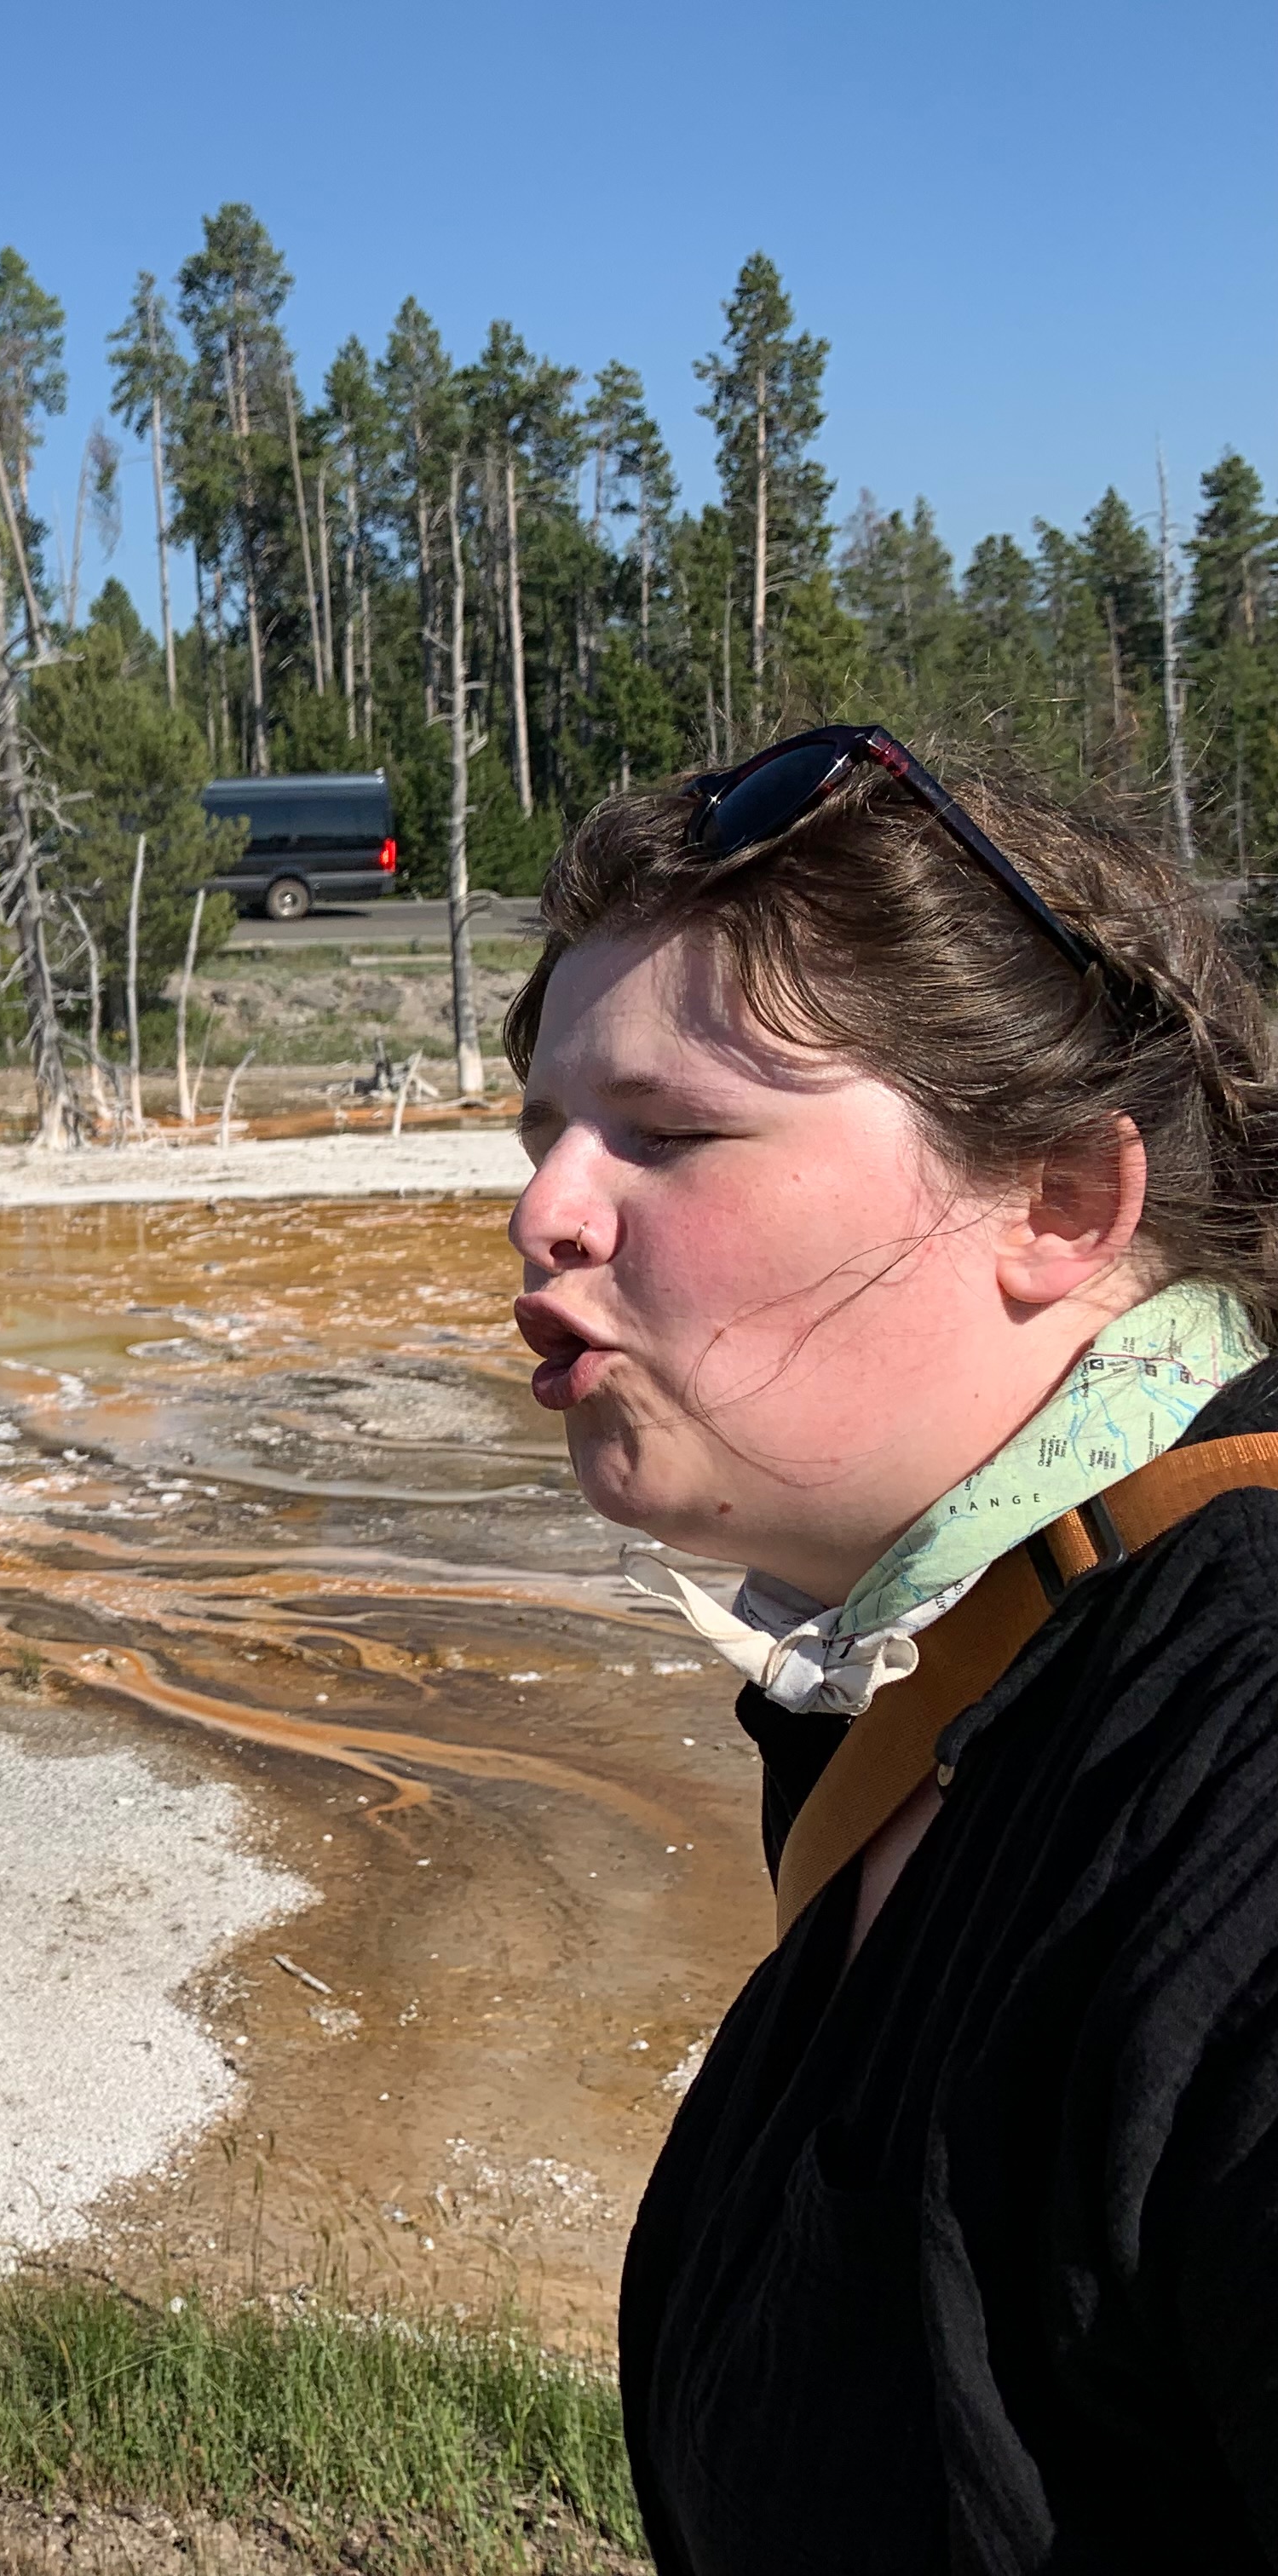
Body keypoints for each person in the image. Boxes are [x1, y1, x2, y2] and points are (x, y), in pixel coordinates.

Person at [503, 727, 1278, 2573]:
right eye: (543, 1131)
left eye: (668, 1133)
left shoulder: (1243, 1771)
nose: (543, 1213)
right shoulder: (954, 1694)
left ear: (1065, 1206)